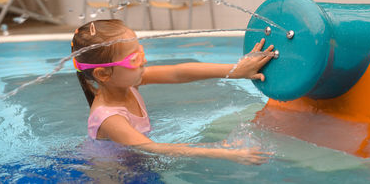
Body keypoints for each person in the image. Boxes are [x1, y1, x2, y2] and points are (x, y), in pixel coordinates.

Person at [71, 19, 275, 165]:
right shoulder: (110, 118)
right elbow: (152, 148)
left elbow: (179, 73)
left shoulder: (126, 82)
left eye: (140, 52)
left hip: (132, 164)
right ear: (103, 74)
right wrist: (224, 151)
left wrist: (236, 70)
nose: (144, 60)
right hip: (113, 177)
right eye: (134, 59)